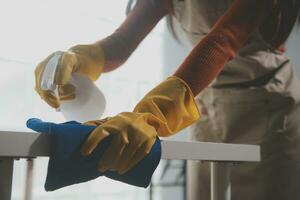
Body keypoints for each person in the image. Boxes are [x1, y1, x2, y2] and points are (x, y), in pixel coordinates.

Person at [34, 0, 300, 199]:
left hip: (268, 108)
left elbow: (223, 41)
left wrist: (152, 115)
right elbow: (122, 41)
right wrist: (80, 58)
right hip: (207, 106)